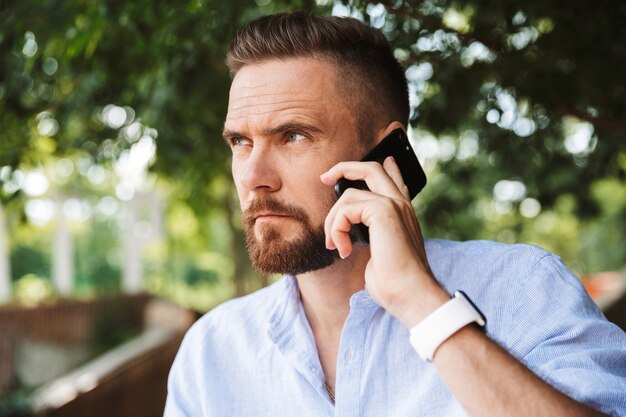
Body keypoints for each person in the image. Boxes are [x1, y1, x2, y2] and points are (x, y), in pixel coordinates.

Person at [164, 12, 626, 417]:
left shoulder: (523, 289)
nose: (253, 176)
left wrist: (421, 302)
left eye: (293, 136)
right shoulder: (211, 353)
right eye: (240, 142)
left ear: (384, 154)